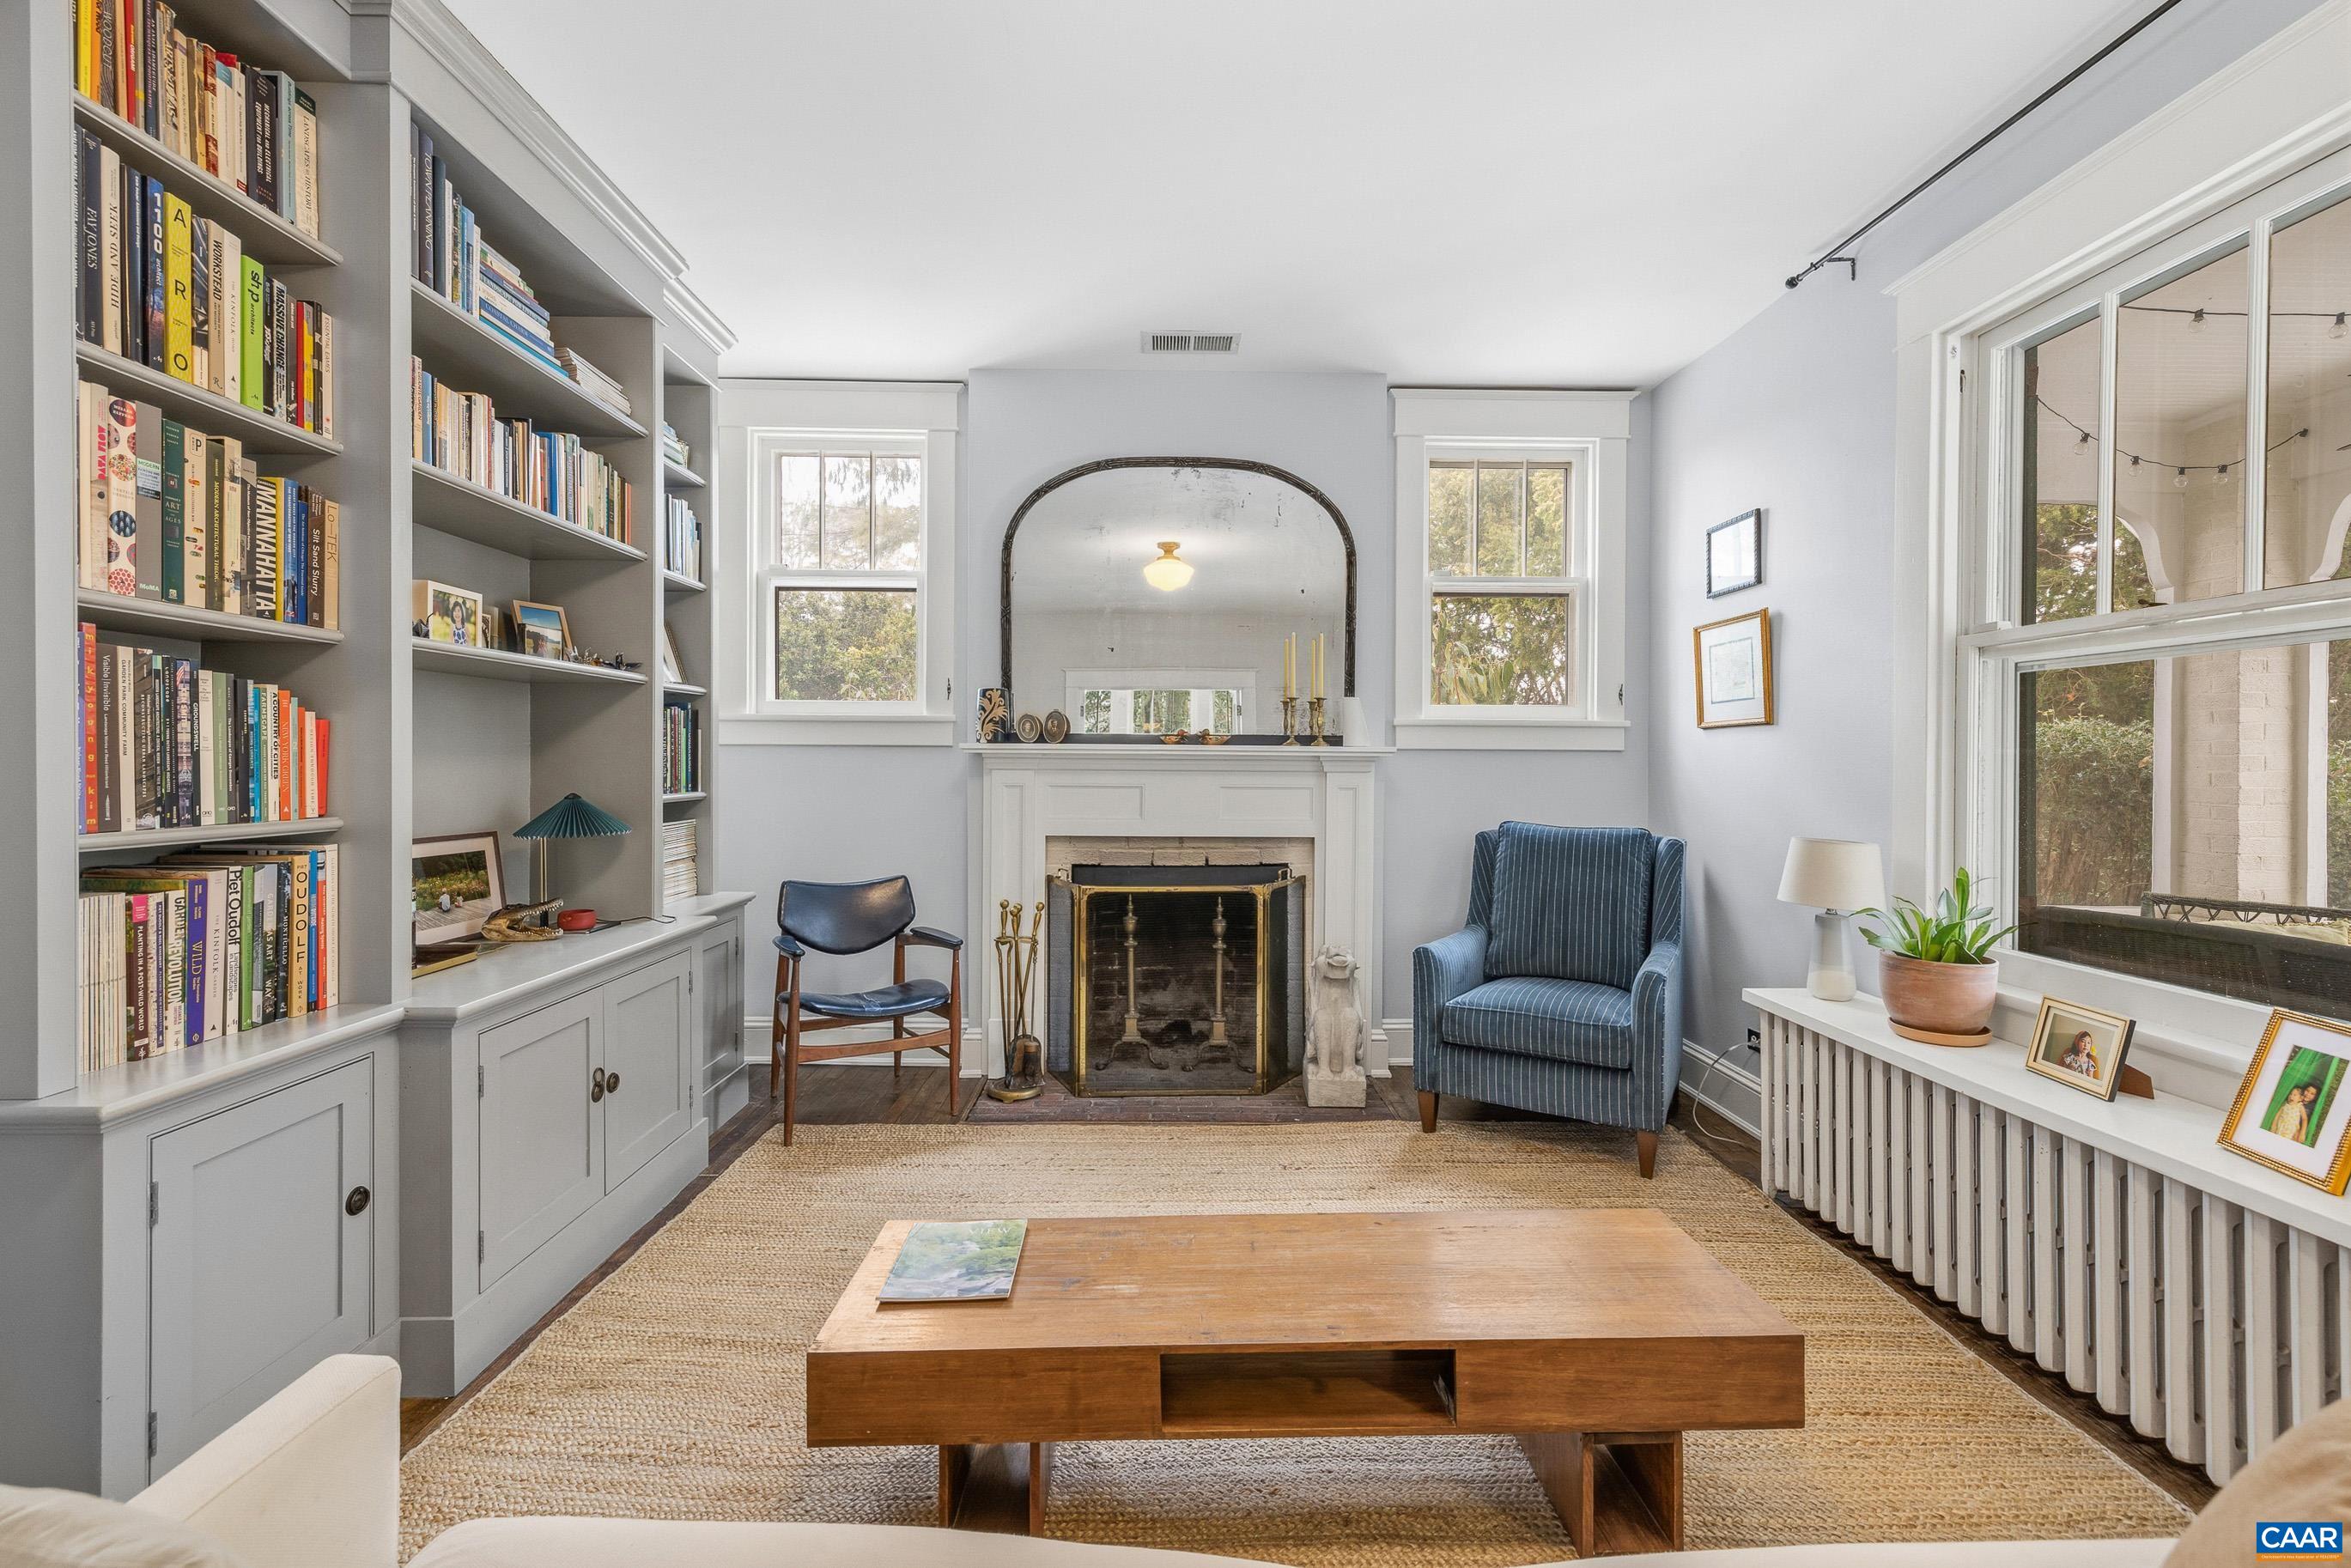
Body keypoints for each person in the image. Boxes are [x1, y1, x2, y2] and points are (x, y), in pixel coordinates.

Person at [2269, 1081, 2314, 1145]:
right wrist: (2273, 1126)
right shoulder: (2285, 1104)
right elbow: (2277, 1116)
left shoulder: (2300, 1106)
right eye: (2290, 1094)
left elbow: (2304, 1119)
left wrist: (2302, 1133)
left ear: (2300, 1098)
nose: (2291, 1096)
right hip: (2281, 1128)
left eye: (2295, 1095)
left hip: (2292, 1131)